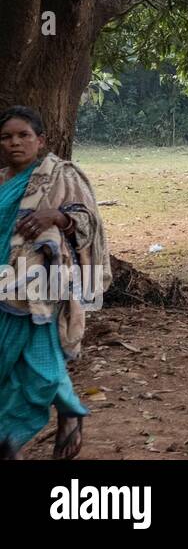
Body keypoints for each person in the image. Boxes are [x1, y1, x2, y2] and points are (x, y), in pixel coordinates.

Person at [0, 106, 112, 458]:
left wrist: (57, 216)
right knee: (7, 362)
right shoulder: (1, 179)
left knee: (40, 364)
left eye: (24, 135)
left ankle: (11, 439)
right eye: (6, 137)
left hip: (41, 287)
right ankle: (69, 413)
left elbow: (89, 223)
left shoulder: (61, 175)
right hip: (2, 282)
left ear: (41, 140)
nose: (15, 142)